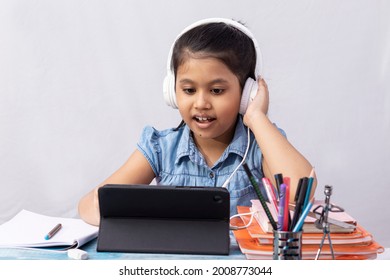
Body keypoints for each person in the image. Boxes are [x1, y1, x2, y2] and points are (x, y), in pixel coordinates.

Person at [78, 18, 315, 226]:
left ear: (247, 94)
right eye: (189, 90)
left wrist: (256, 117)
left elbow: (301, 194)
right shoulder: (161, 148)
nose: (201, 103)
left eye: (217, 90)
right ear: (172, 92)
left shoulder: (261, 147)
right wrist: (137, 222)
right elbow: (91, 205)